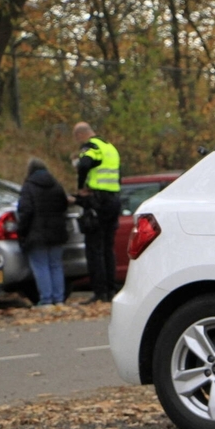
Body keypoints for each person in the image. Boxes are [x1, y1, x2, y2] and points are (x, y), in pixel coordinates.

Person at [72, 121, 122, 304]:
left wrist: (80, 188)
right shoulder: (110, 147)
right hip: (113, 199)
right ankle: (110, 289)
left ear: (80, 135)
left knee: (94, 248)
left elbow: (84, 165)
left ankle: (99, 292)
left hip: (97, 201)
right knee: (108, 247)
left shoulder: (91, 146)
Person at [17, 158, 69, 306]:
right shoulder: (56, 185)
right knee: (56, 265)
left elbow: (25, 211)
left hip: (36, 233)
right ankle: (59, 299)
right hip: (57, 232)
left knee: (41, 266)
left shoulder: (28, 186)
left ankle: (46, 299)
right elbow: (64, 205)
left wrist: (22, 231)